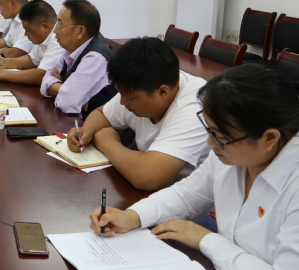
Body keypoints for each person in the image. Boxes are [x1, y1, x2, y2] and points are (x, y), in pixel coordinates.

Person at [90, 65, 299, 270]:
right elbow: (188, 194)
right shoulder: (234, 152)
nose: (211, 144)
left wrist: (207, 241)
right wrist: (133, 216)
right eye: (209, 131)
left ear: (270, 138)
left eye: (220, 136)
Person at [68, 37, 209, 190]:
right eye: (120, 94)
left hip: (195, 199)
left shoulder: (195, 108)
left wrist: (107, 142)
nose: (122, 102)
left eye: (129, 98)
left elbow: (147, 177)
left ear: (163, 92)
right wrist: (87, 132)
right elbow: (101, 114)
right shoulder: (143, 84)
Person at [40, 0, 116, 118]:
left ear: (80, 31)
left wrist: (68, 92)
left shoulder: (95, 58)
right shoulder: (73, 49)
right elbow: (46, 79)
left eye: (60, 25)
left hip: (97, 126)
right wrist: (67, 90)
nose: (55, 30)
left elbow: (66, 103)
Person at [0, 0, 64, 85]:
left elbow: (42, 75)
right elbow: (32, 60)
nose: (25, 34)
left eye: (28, 30)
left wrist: (0, 74)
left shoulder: (58, 39)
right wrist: (5, 62)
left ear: (44, 27)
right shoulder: (43, 37)